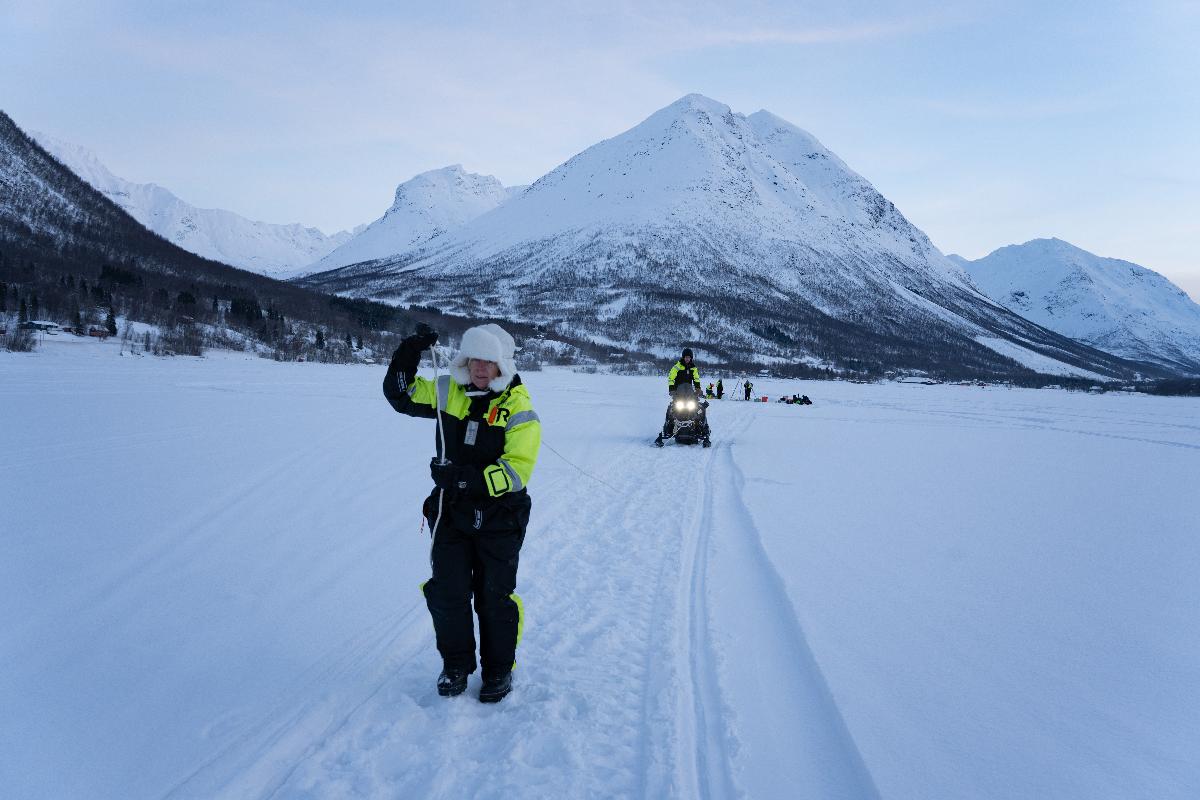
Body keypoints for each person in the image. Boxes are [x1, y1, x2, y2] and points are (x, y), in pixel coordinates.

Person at [383, 322, 541, 704]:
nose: (480, 368)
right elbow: (400, 395)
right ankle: (455, 665)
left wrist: (465, 479)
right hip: (452, 513)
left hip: (500, 516)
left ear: (502, 364)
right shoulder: (448, 391)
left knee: (494, 597)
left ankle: (498, 670)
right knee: (448, 592)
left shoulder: (519, 407)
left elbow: (516, 472)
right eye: (474, 360)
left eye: (489, 361)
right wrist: (410, 349)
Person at [663, 348, 703, 438]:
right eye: (686, 357)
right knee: (672, 409)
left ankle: (700, 428)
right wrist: (672, 389)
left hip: (689, 392)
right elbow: (671, 378)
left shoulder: (693, 368)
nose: (687, 359)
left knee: (698, 408)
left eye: (689, 357)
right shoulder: (677, 367)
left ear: (691, 358)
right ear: (683, 357)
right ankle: (668, 428)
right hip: (678, 392)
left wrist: (698, 389)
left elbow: (696, 378)